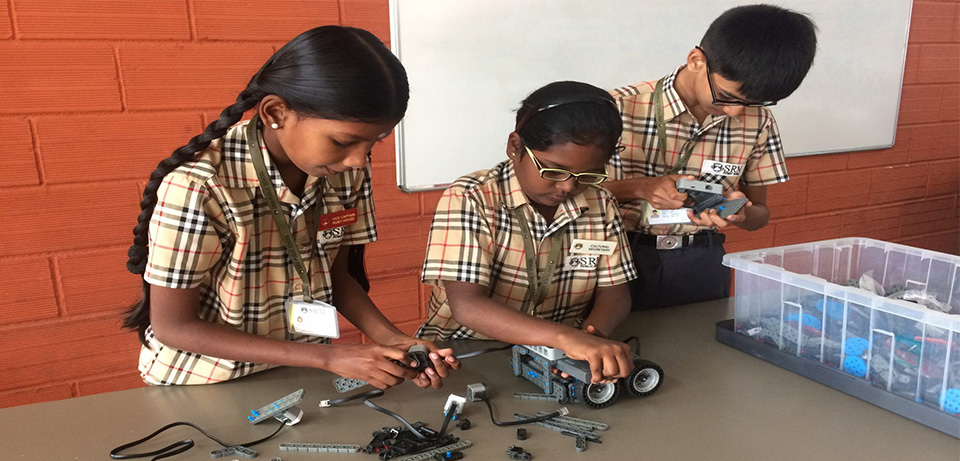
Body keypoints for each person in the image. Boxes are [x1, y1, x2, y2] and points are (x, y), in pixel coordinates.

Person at [123, 26, 458, 388]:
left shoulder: (345, 172)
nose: (359, 160)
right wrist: (329, 357)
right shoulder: (200, 186)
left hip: (298, 370)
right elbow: (174, 327)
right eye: (342, 141)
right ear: (276, 113)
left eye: (374, 142)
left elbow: (337, 276)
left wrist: (394, 340)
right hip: (206, 380)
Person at [416, 81, 637, 384]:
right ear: (515, 147)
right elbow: (467, 306)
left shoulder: (601, 203)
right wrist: (565, 338)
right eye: (553, 170)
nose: (568, 186)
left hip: (557, 355)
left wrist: (590, 339)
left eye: (587, 175)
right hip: (467, 354)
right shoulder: (471, 198)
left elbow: (615, 292)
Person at [605, 4, 818, 310]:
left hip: (701, 260)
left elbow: (760, 214)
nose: (735, 112)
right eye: (726, 97)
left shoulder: (759, 122)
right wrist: (641, 188)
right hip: (619, 257)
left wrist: (741, 213)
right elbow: (568, 194)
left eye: (753, 102)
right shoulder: (617, 108)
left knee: (701, 338)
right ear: (696, 60)